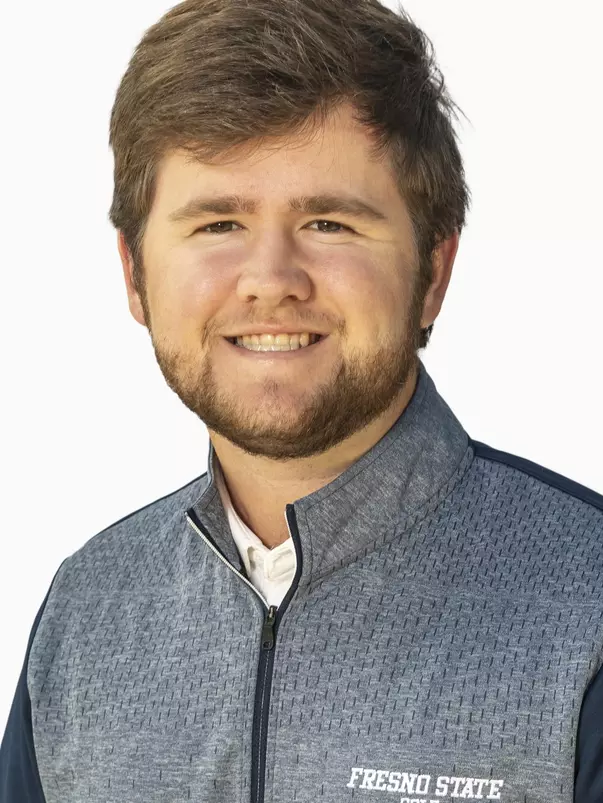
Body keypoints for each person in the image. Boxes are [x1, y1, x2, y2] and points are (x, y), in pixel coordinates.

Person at [1, 0, 602, 800]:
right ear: (134, 274)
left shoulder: (584, 602)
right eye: (217, 224)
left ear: (434, 271)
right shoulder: (89, 609)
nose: (271, 280)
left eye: (328, 221)